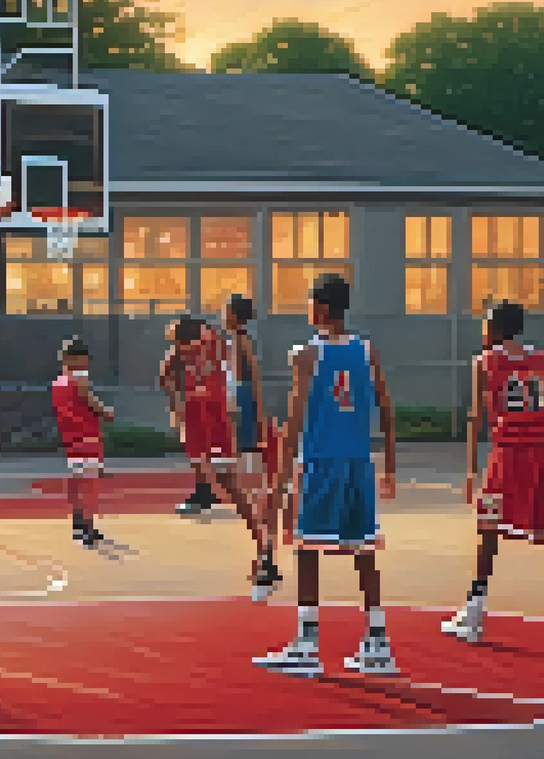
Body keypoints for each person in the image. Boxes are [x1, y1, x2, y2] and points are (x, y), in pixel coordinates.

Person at [255, 274, 399, 677]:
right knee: (363, 548)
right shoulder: (367, 350)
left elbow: (294, 421)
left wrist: (278, 482)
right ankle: (377, 641)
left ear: (319, 308)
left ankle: (307, 641)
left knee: (306, 547)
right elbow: (386, 411)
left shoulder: (305, 354)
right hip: (358, 463)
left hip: (320, 462)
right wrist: (389, 467)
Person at [443, 301, 544, 646]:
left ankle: (474, 612)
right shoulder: (538, 360)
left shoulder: (485, 362)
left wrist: (469, 471)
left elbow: (475, 418)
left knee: (488, 530)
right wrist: (541, 420)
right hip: (539, 454)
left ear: (494, 327)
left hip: (506, 456)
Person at [224, 295, 281, 602]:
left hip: (246, 414)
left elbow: (253, 379)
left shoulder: (242, 341)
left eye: (226, 311)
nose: (223, 316)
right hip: (239, 413)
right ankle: (263, 552)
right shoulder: (232, 343)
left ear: (235, 315)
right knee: (243, 487)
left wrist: (257, 418)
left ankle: (266, 555)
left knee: (253, 487)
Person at [164, 318, 237, 517]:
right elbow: (165, 376)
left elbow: (231, 367)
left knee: (216, 453)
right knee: (201, 451)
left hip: (212, 402)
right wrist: (175, 403)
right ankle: (205, 491)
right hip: (198, 403)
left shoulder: (216, 343)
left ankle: (212, 492)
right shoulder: (191, 345)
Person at [53, 337, 114, 547]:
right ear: (76, 359)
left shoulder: (59, 381)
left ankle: (79, 524)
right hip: (86, 435)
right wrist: (105, 411)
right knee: (90, 485)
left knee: (78, 481)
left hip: (71, 437)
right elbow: (87, 397)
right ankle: (87, 527)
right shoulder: (79, 377)